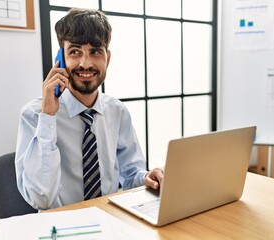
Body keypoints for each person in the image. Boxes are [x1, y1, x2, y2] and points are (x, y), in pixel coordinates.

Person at [15, 8, 163, 210]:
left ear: (107, 58)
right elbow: (41, 198)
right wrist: (48, 116)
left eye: (95, 51)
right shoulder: (35, 115)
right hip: (61, 226)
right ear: (60, 58)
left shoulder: (117, 111)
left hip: (111, 219)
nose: (85, 63)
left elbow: (130, 175)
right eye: (75, 51)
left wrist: (146, 177)